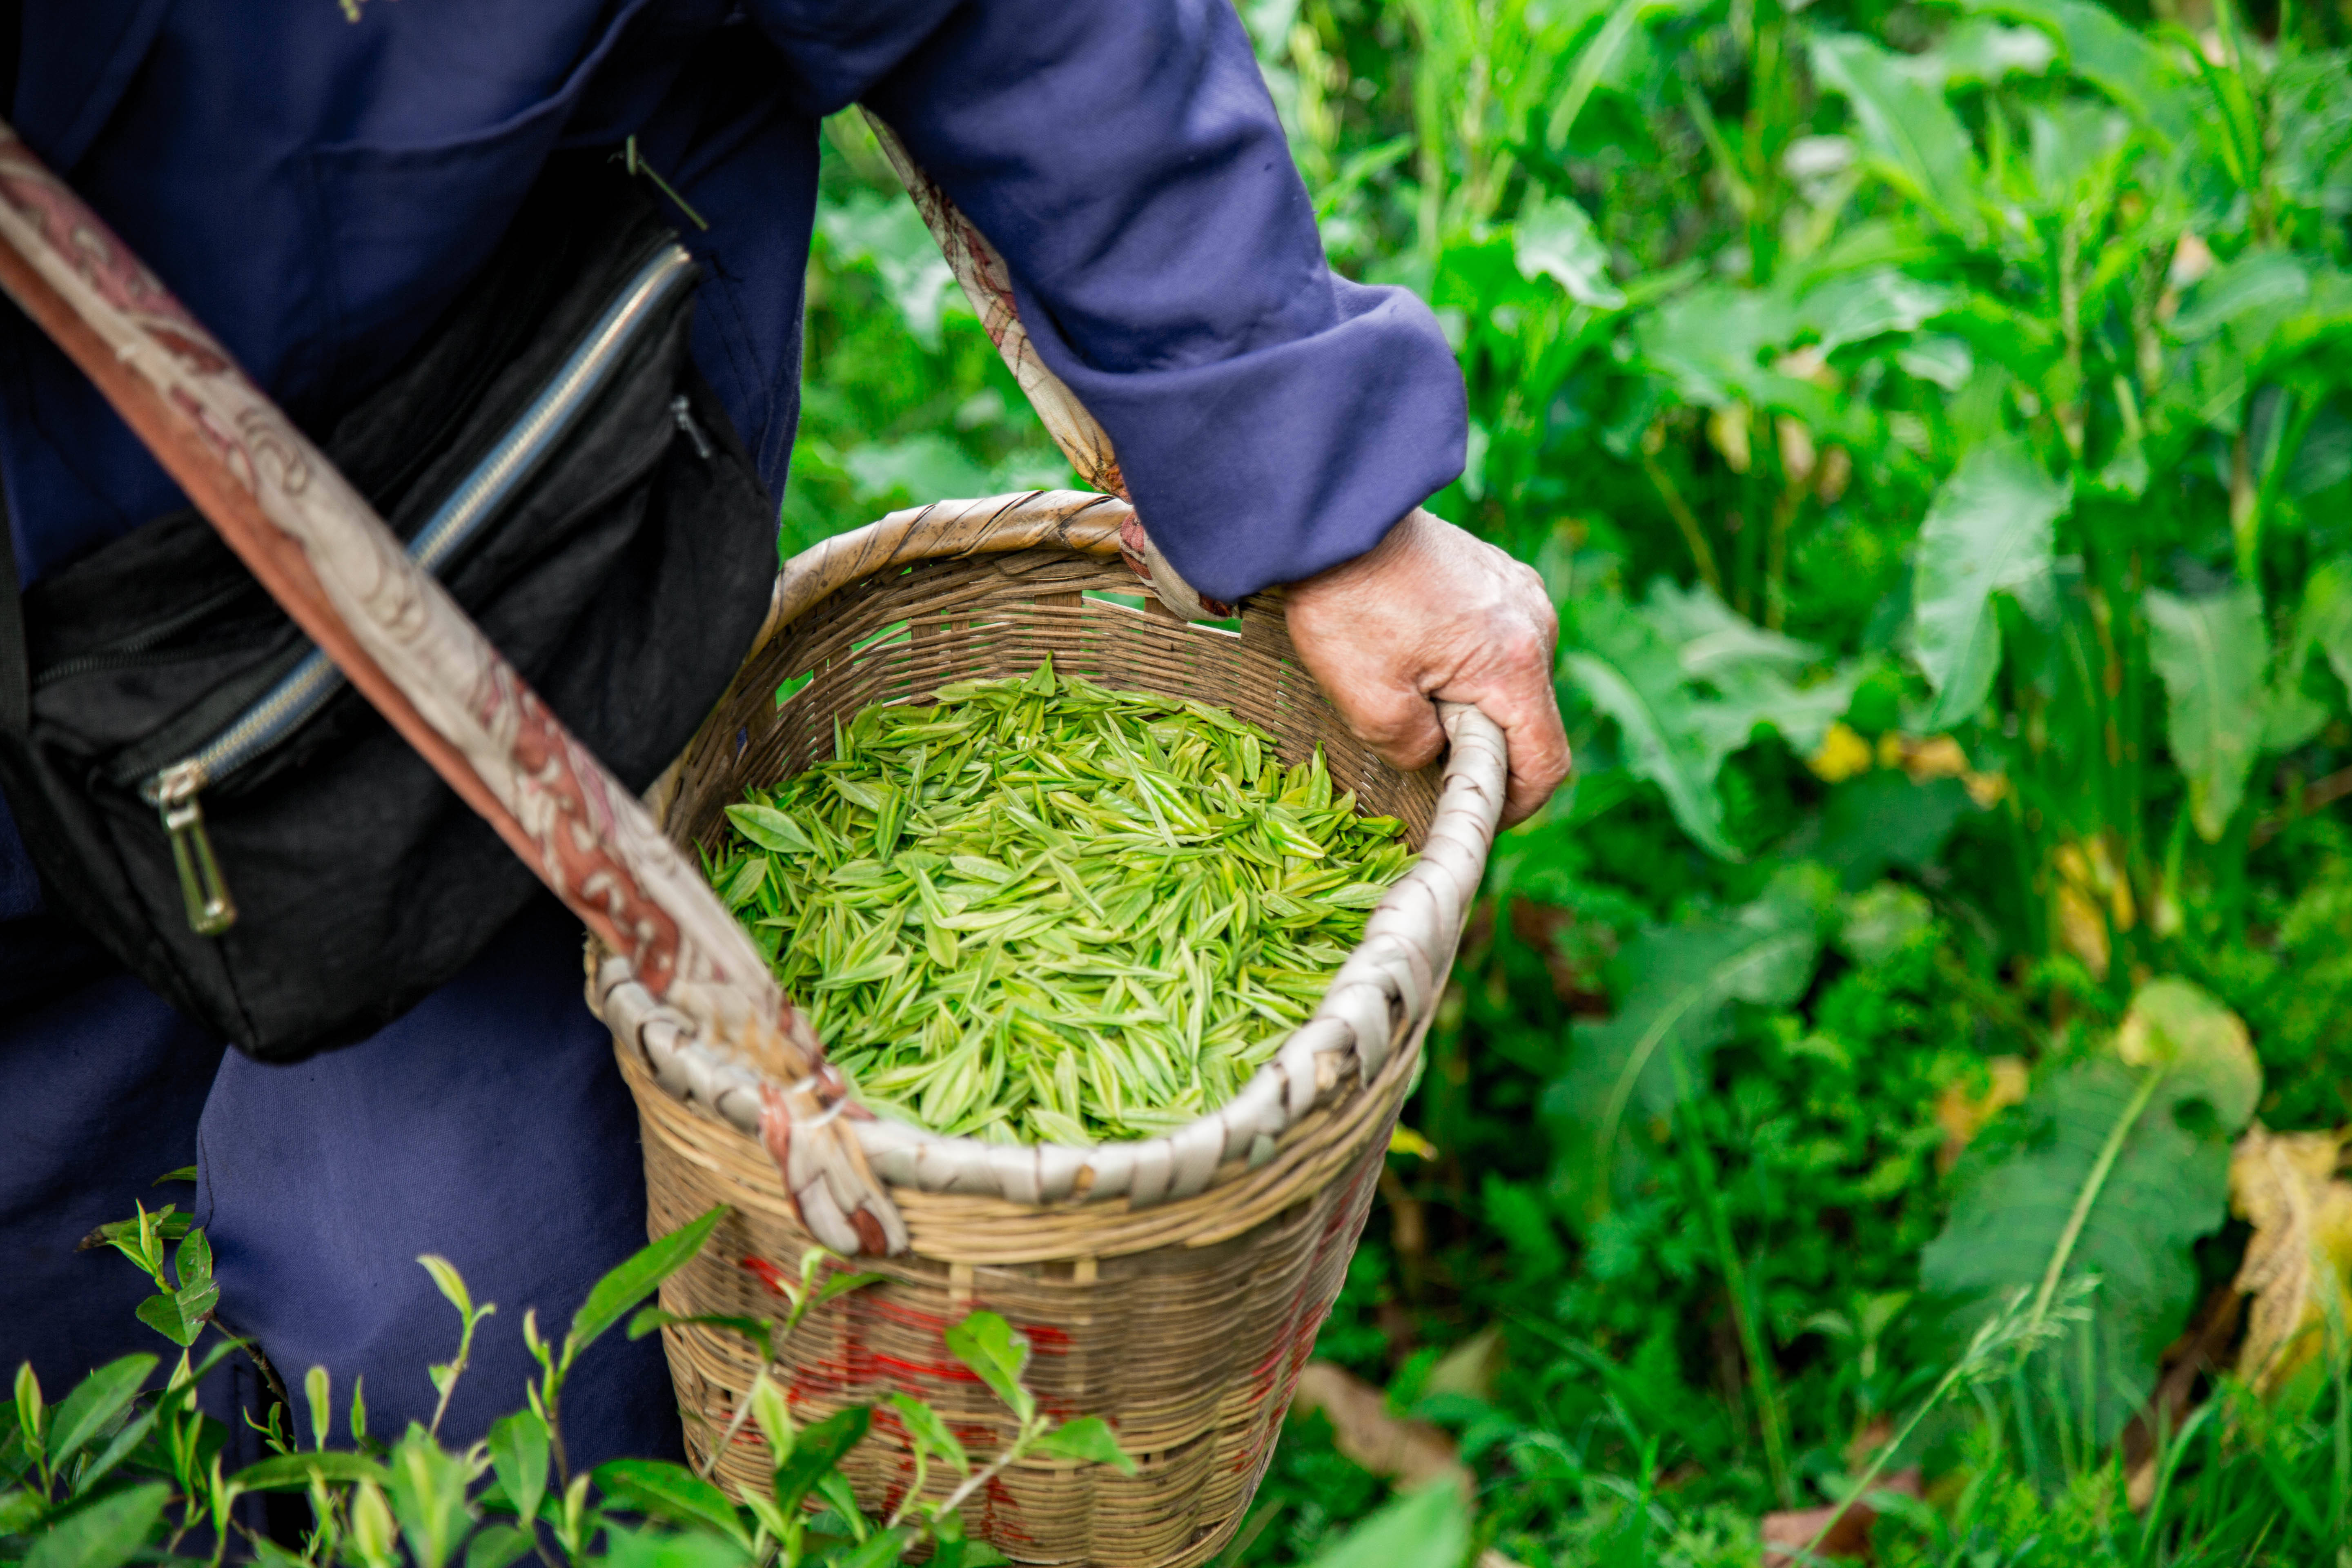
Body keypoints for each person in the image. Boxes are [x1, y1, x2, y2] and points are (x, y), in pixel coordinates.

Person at [0, 0, 1568, 1463]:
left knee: (490, 1360)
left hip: (512, 565)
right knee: (76, 1381)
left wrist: (1309, 475)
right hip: (40, 674)